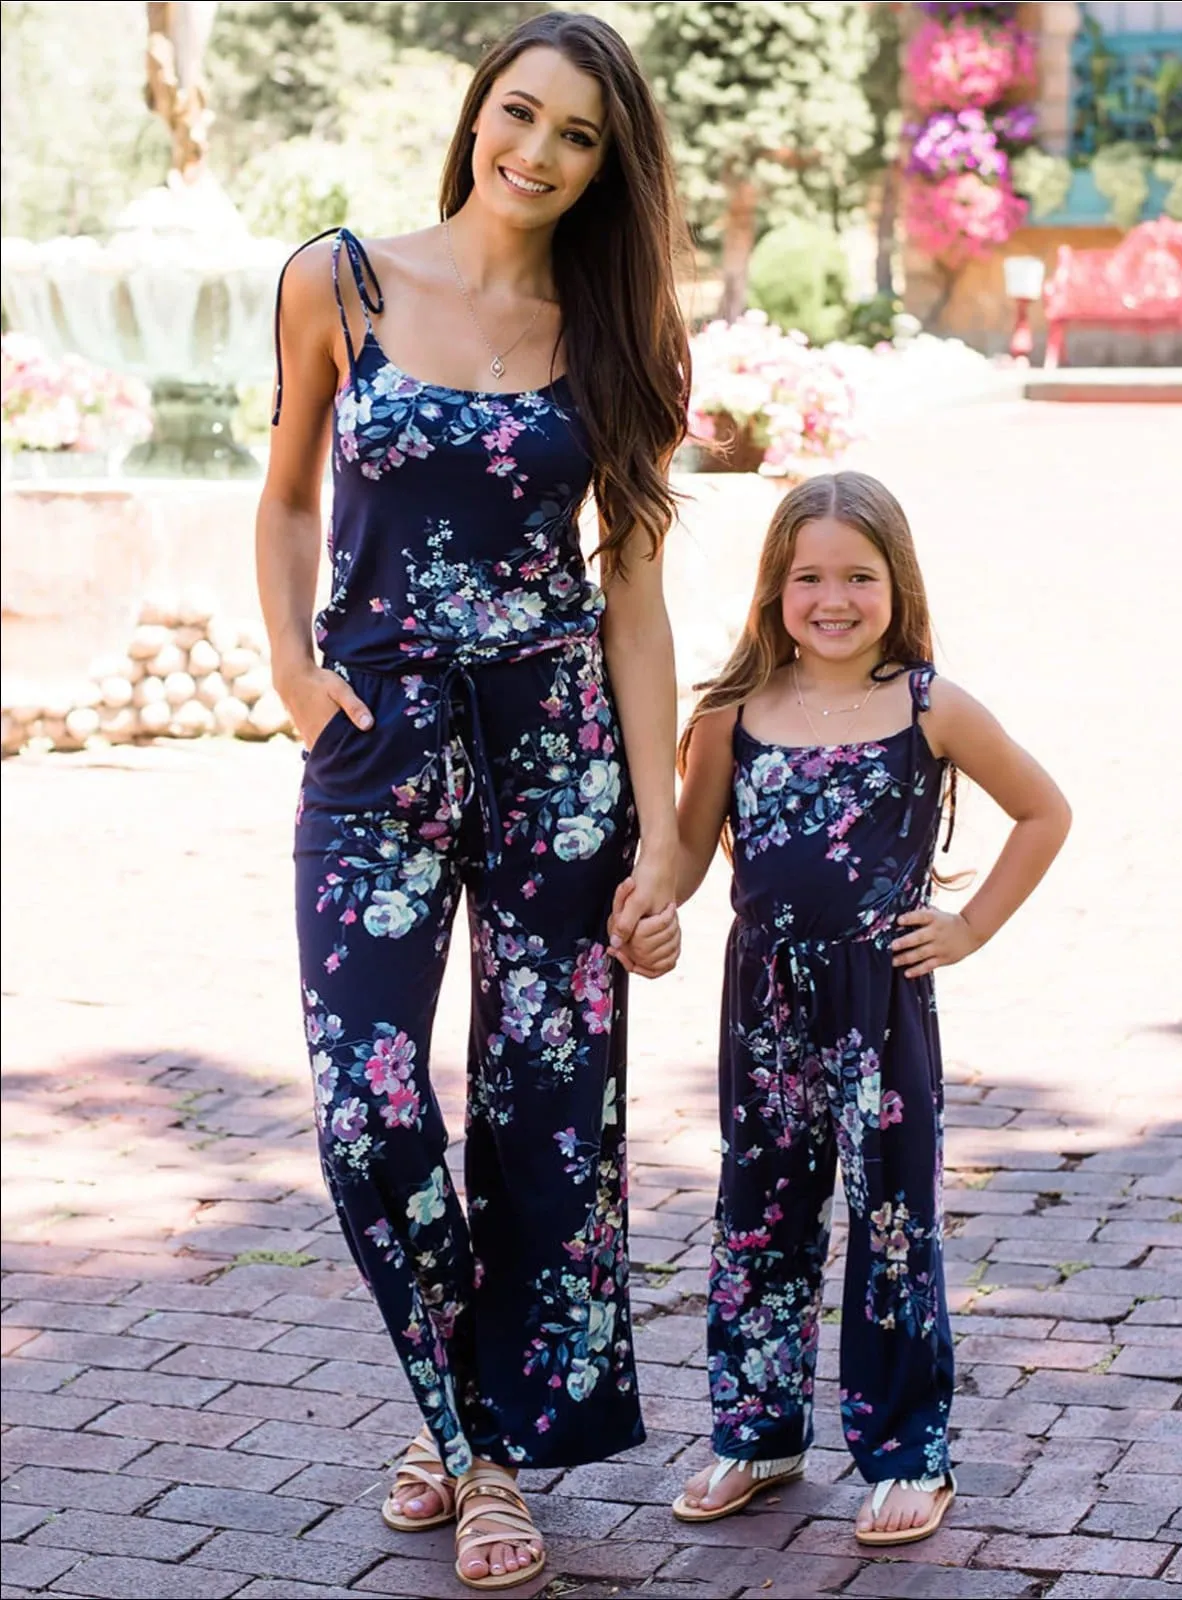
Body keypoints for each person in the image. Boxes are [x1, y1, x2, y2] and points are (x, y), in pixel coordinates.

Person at [256, 12, 687, 1590]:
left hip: (557, 750)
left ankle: (483, 1444)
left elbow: (634, 598)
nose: (540, 153)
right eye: (523, 114)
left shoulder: (623, 330)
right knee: (368, 1107)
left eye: (579, 135)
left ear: (607, 163)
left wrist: (664, 833)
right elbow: (292, 487)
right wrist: (297, 677)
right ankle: (473, 1429)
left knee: (548, 1117)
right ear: (478, 111)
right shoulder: (342, 280)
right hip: (376, 743)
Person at [621, 471, 1071, 1546]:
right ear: (774, 586)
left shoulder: (930, 706)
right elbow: (685, 855)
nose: (833, 597)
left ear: (896, 583)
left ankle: (907, 1450)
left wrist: (967, 929)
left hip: (882, 1004)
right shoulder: (731, 717)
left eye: (858, 575)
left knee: (891, 1219)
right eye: (808, 575)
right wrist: (648, 902)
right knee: (760, 1212)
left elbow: (1045, 810)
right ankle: (758, 1431)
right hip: (765, 1001)